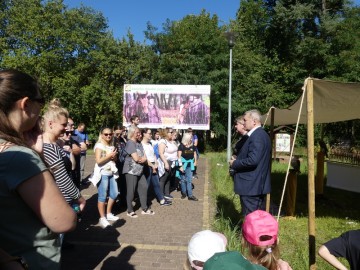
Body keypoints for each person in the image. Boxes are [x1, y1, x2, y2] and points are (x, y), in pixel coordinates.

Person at [0, 69, 77, 269]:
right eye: (40, 102)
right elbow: (64, 221)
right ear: (25, 104)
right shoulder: (19, 157)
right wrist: (37, 157)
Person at [42, 99, 86, 209]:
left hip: (65, 200)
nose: (66, 128)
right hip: (59, 204)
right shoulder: (49, 148)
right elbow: (63, 180)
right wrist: (80, 198)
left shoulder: (56, 145)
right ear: (51, 124)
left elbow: (71, 166)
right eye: (63, 124)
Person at [229, 109, 271, 217]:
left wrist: (235, 163)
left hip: (251, 186)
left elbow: (253, 160)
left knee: (251, 219)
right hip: (253, 185)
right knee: (254, 219)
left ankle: (250, 235)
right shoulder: (258, 135)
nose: (243, 122)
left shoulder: (257, 136)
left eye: (245, 120)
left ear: (254, 121)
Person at [123, 125, 153, 218]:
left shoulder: (139, 143)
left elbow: (144, 157)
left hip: (140, 170)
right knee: (131, 191)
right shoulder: (130, 143)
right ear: (132, 133)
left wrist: (142, 159)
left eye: (139, 132)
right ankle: (130, 210)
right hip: (131, 170)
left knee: (144, 187)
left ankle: (144, 208)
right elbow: (136, 158)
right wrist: (142, 159)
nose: (139, 134)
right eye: (137, 133)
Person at [92, 127, 120, 228]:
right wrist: (110, 156)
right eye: (106, 134)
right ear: (102, 135)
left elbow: (114, 160)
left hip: (111, 172)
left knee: (114, 193)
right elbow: (99, 161)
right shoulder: (99, 145)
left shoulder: (111, 145)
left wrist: (114, 156)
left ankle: (108, 214)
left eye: (110, 134)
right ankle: (102, 217)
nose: (108, 136)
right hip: (102, 173)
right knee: (102, 196)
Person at [141, 128, 171, 206]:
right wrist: (152, 165)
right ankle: (145, 202)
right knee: (147, 185)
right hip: (147, 166)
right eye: (149, 133)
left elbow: (154, 154)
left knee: (156, 184)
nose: (151, 135)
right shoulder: (141, 144)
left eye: (151, 133)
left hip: (154, 165)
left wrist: (156, 163)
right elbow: (145, 157)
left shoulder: (150, 144)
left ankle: (161, 200)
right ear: (144, 134)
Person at [158, 128, 178, 201]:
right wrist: (166, 163)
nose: (172, 133)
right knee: (163, 179)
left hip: (172, 162)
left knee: (168, 178)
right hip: (166, 161)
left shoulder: (171, 141)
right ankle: (161, 195)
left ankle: (166, 193)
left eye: (172, 132)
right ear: (166, 133)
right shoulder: (163, 141)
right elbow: (161, 153)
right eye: (170, 132)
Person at [177, 132, 198, 201]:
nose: (192, 139)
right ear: (187, 138)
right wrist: (180, 166)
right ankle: (184, 193)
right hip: (183, 165)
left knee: (189, 180)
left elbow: (195, 154)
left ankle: (190, 195)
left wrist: (195, 162)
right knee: (183, 180)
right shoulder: (181, 146)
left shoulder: (192, 146)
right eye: (191, 138)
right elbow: (179, 157)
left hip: (190, 165)